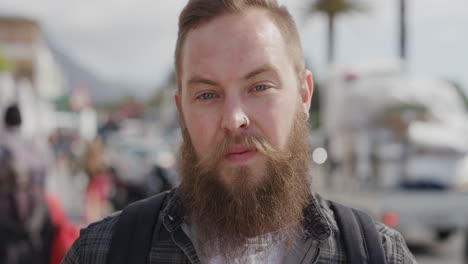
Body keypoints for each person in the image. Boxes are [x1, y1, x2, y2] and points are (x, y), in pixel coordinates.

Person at [62, 0, 417, 263]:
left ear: (304, 95)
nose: (234, 119)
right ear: (181, 109)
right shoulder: (103, 252)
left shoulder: (378, 254)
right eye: (207, 94)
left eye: (260, 87)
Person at [0, 104, 79, 264]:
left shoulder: (3, 145)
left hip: (7, 219)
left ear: (5, 121)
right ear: (21, 122)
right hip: (38, 216)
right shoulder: (35, 145)